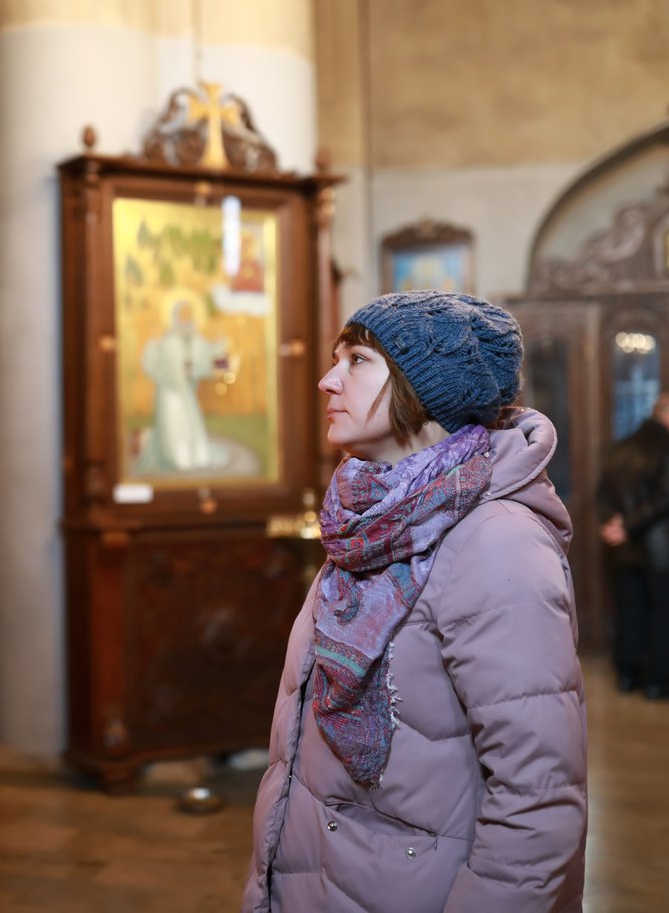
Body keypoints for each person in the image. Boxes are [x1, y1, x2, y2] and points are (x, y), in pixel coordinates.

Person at [243, 291, 587, 912]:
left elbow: (537, 801)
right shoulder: (367, 522)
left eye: (356, 361)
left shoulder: (496, 542)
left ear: (420, 389)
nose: (327, 381)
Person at [596, 393, 669, 701]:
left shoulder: (621, 447)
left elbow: (602, 494)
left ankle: (627, 675)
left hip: (625, 549)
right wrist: (627, 526)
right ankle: (659, 682)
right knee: (665, 615)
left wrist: (614, 525)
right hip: (662, 548)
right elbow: (665, 498)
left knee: (630, 611)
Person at [137, 297, 230, 473]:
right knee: (174, 426)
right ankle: (175, 456)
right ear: (175, 317)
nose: (186, 320)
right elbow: (152, 363)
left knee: (191, 429)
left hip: (187, 393)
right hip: (170, 394)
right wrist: (153, 350)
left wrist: (220, 348)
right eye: (182, 315)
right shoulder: (167, 342)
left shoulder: (196, 341)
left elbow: (212, 359)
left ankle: (192, 456)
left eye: (189, 315)